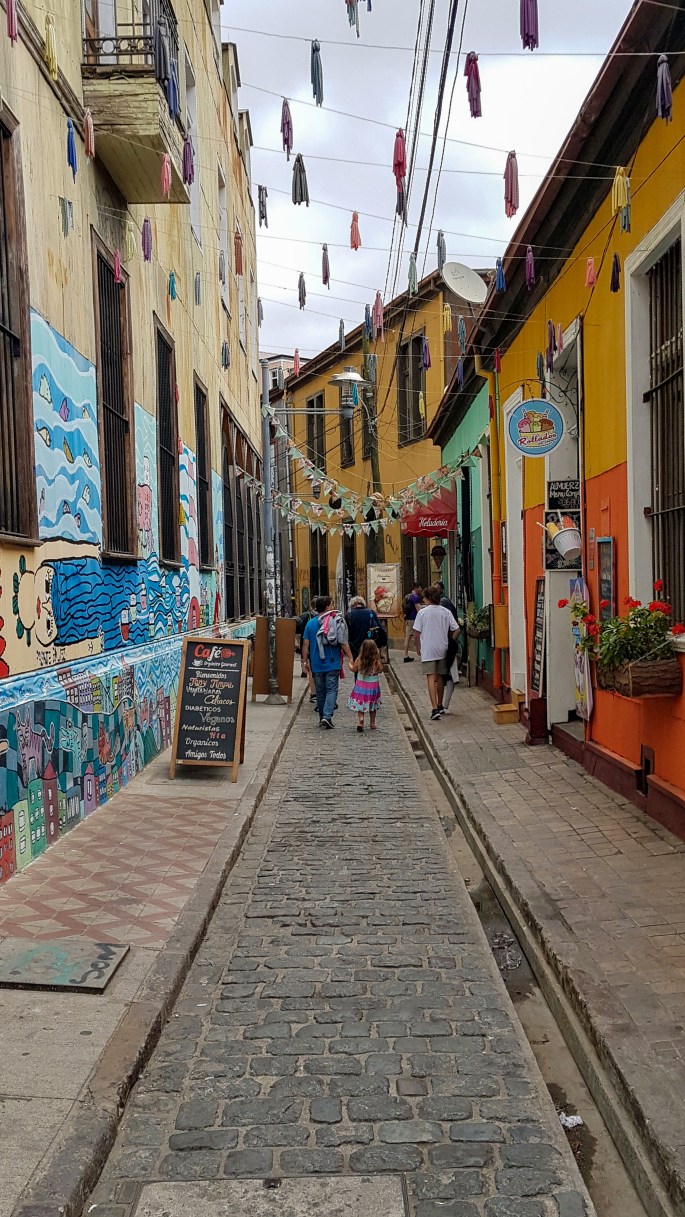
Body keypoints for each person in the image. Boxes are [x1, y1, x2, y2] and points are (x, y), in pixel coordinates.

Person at [301, 594, 353, 729]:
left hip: (316, 664)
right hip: (332, 663)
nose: (333, 606)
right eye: (332, 604)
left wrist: (304, 661)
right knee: (332, 690)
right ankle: (327, 716)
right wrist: (350, 656)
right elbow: (342, 642)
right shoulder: (334, 621)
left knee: (320, 691)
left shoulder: (310, 624)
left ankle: (322, 717)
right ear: (327, 607)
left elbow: (305, 644)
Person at [413, 584, 460, 722]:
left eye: (424, 598)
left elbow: (417, 633)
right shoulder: (445, 612)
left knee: (430, 677)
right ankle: (440, 705)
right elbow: (456, 629)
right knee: (440, 677)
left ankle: (434, 708)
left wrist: (418, 646)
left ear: (428, 598)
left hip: (428, 649)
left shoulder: (422, 613)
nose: (423, 600)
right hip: (442, 648)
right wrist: (450, 641)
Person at [348, 638, 383, 733]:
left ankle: (361, 719)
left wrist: (349, 664)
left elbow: (354, 669)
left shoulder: (359, 660)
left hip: (361, 686)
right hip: (373, 687)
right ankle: (372, 723)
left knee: (361, 703)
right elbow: (380, 670)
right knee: (373, 705)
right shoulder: (376, 661)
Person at [345, 595, 386, 661]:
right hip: (370, 644)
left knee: (357, 663)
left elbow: (346, 632)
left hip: (354, 646)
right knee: (370, 662)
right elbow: (380, 629)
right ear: (363, 603)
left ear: (352, 604)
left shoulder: (349, 614)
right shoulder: (371, 612)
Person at [402, 582, 423, 661]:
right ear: (416, 588)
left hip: (408, 619)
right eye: (420, 588)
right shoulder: (415, 597)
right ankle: (421, 653)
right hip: (414, 619)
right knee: (420, 636)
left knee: (407, 637)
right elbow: (419, 610)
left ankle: (405, 655)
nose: (421, 589)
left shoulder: (407, 596)